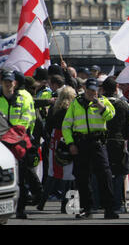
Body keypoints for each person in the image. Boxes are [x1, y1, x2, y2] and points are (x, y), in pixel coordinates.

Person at [62, 78, 118, 219]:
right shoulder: (76, 103)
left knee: (105, 176)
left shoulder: (103, 101)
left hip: (98, 143)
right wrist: (71, 143)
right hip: (81, 144)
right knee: (82, 177)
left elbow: (111, 116)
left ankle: (109, 209)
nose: (93, 92)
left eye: (95, 90)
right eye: (90, 90)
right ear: (85, 89)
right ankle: (87, 209)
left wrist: (100, 105)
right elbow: (66, 125)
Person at [0, 70, 42, 219]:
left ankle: (21, 209)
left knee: (22, 178)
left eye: (10, 81)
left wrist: (11, 136)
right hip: (2, 145)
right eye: (5, 81)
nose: (7, 84)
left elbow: (27, 120)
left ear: (15, 83)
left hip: (19, 143)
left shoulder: (24, 98)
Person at [38, 86, 77, 213]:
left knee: (52, 172)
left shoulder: (54, 109)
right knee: (70, 174)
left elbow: (47, 127)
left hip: (55, 142)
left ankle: (42, 202)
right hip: (67, 139)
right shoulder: (72, 109)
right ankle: (67, 206)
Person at [101, 77, 129, 214]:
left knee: (101, 172)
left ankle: (100, 202)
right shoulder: (123, 105)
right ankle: (118, 202)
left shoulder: (97, 104)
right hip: (119, 141)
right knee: (120, 172)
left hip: (101, 141)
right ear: (116, 88)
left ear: (102, 89)